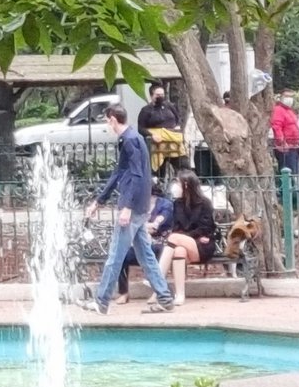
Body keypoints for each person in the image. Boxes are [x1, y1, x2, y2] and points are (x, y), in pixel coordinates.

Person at [88, 104, 173, 313]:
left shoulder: (130, 141)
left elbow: (136, 176)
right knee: (145, 254)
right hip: (139, 207)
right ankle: (164, 298)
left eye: (106, 121)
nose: (106, 125)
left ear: (112, 120)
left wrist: (126, 207)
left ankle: (101, 302)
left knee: (115, 255)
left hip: (133, 208)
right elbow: (119, 173)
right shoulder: (130, 139)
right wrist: (98, 201)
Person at [153, 171, 220, 304]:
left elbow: (205, 228)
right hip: (182, 244)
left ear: (186, 185)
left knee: (174, 238)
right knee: (179, 251)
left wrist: (182, 238)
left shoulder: (204, 203)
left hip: (203, 245)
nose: (174, 186)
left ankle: (156, 280)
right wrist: (182, 239)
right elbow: (176, 226)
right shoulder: (177, 204)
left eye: (177, 182)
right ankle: (180, 295)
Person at [270, 95, 299, 178]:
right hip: (286, 147)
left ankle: (292, 190)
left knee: (294, 172)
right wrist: (281, 142)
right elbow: (277, 127)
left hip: (294, 146)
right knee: (288, 172)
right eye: (287, 96)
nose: (289, 98)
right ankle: (287, 190)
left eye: (291, 96)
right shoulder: (278, 110)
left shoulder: (289, 111)